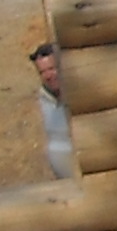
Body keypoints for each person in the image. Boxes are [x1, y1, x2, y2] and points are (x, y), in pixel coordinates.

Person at [32, 41, 77, 179]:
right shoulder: (43, 100)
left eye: (51, 68)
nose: (48, 76)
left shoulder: (78, 96)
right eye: (42, 72)